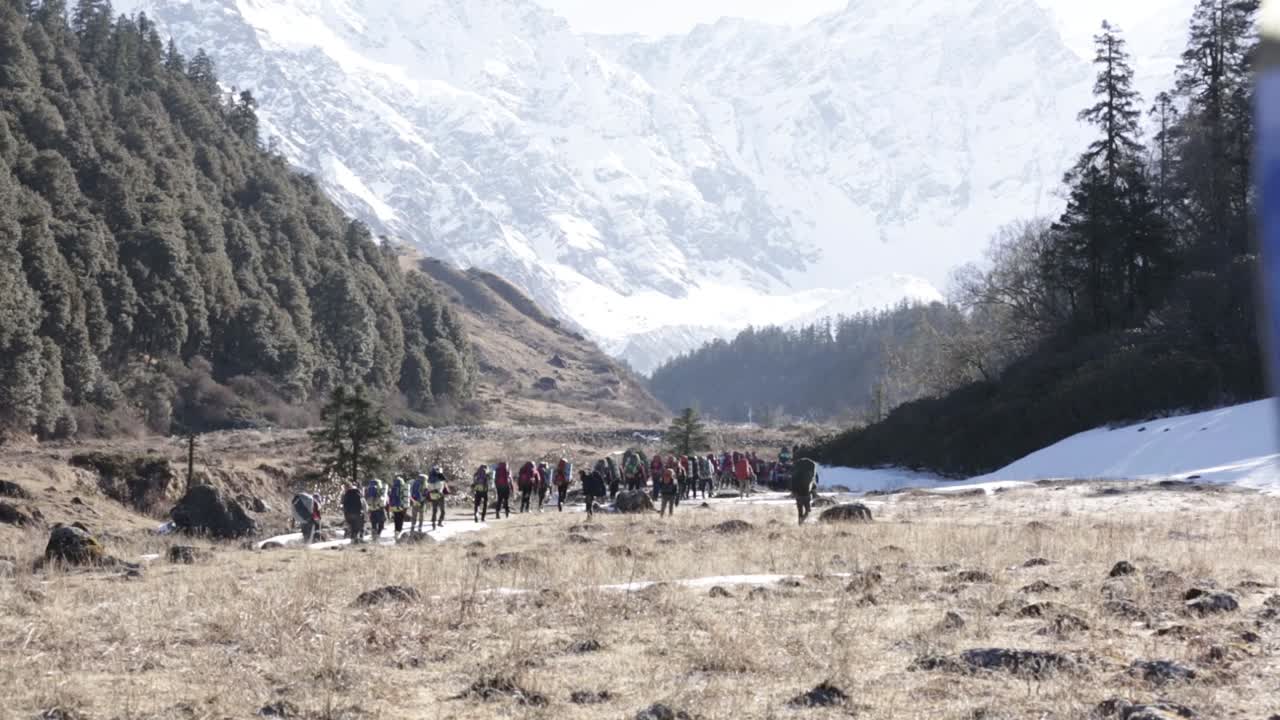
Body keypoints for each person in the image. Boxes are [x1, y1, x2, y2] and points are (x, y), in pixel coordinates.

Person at [791, 458, 819, 525]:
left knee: (800, 510)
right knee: (808, 510)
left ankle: (800, 522)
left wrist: (793, 491)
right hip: (806, 493)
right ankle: (802, 521)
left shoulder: (797, 473)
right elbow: (814, 482)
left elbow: (793, 481)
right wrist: (814, 491)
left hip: (798, 493)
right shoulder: (811, 473)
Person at [365, 476, 387, 541]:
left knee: (374, 524)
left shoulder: (369, 489)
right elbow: (383, 500)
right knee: (381, 523)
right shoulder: (380, 489)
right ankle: (378, 535)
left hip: (372, 509)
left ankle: (374, 537)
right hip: (379, 509)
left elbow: (366, 499)